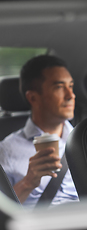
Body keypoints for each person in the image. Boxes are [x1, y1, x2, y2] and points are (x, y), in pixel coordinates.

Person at [0, 55, 78, 208]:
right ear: (33, 98)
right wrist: (28, 182)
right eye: (59, 87)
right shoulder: (6, 150)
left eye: (71, 86)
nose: (71, 95)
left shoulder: (86, 141)